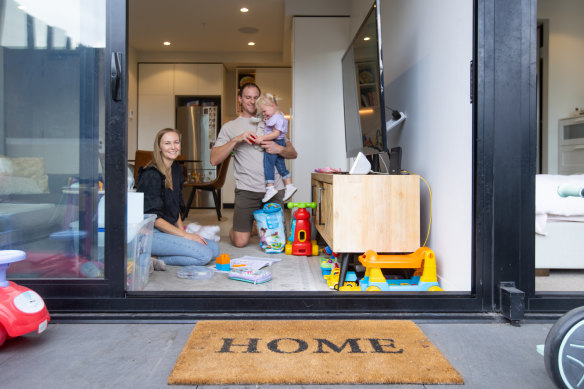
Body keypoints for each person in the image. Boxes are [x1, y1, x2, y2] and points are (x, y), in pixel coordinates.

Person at [210, 82, 298, 248]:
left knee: (278, 242)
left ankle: (258, 224)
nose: (252, 101)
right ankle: (249, 226)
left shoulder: (271, 120)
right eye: (247, 97)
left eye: (256, 97)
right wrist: (237, 139)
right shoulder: (230, 127)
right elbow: (214, 159)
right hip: (247, 189)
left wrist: (278, 148)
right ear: (240, 99)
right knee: (240, 242)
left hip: (274, 189)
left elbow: (293, 153)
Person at [137, 128, 220, 266]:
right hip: (151, 233)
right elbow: (154, 219)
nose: (173, 147)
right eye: (167, 143)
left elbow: (175, 208)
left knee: (214, 249)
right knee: (204, 256)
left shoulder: (176, 170)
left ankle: (162, 253)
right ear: (159, 147)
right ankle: (153, 258)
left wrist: (182, 233)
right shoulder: (151, 174)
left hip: (168, 229)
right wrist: (185, 236)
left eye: (176, 142)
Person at [255, 93, 297, 203]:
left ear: (272, 105)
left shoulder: (276, 118)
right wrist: (266, 119)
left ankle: (270, 187)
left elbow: (275, 134)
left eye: (264, 111)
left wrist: (262, 138)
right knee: (280, 165)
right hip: (281, 142)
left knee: (268, 164)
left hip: (275, 141)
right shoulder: (279, 116)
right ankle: (289, 185)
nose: (264, 113)